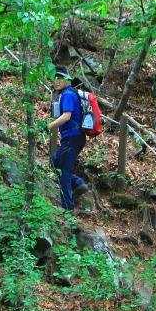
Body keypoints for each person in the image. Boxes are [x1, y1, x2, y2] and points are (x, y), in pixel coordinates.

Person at [49, 67, 90, 211]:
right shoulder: (68, 93)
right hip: (73, 138)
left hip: (73, 138)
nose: (57, 81)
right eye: (55, 78)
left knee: (64, 171)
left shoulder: (67, 95)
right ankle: (78, 184)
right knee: (55, 163)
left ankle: (68, 206)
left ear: (67, 79)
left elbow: (67, 115)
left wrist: (50, 126)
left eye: (61, 78)